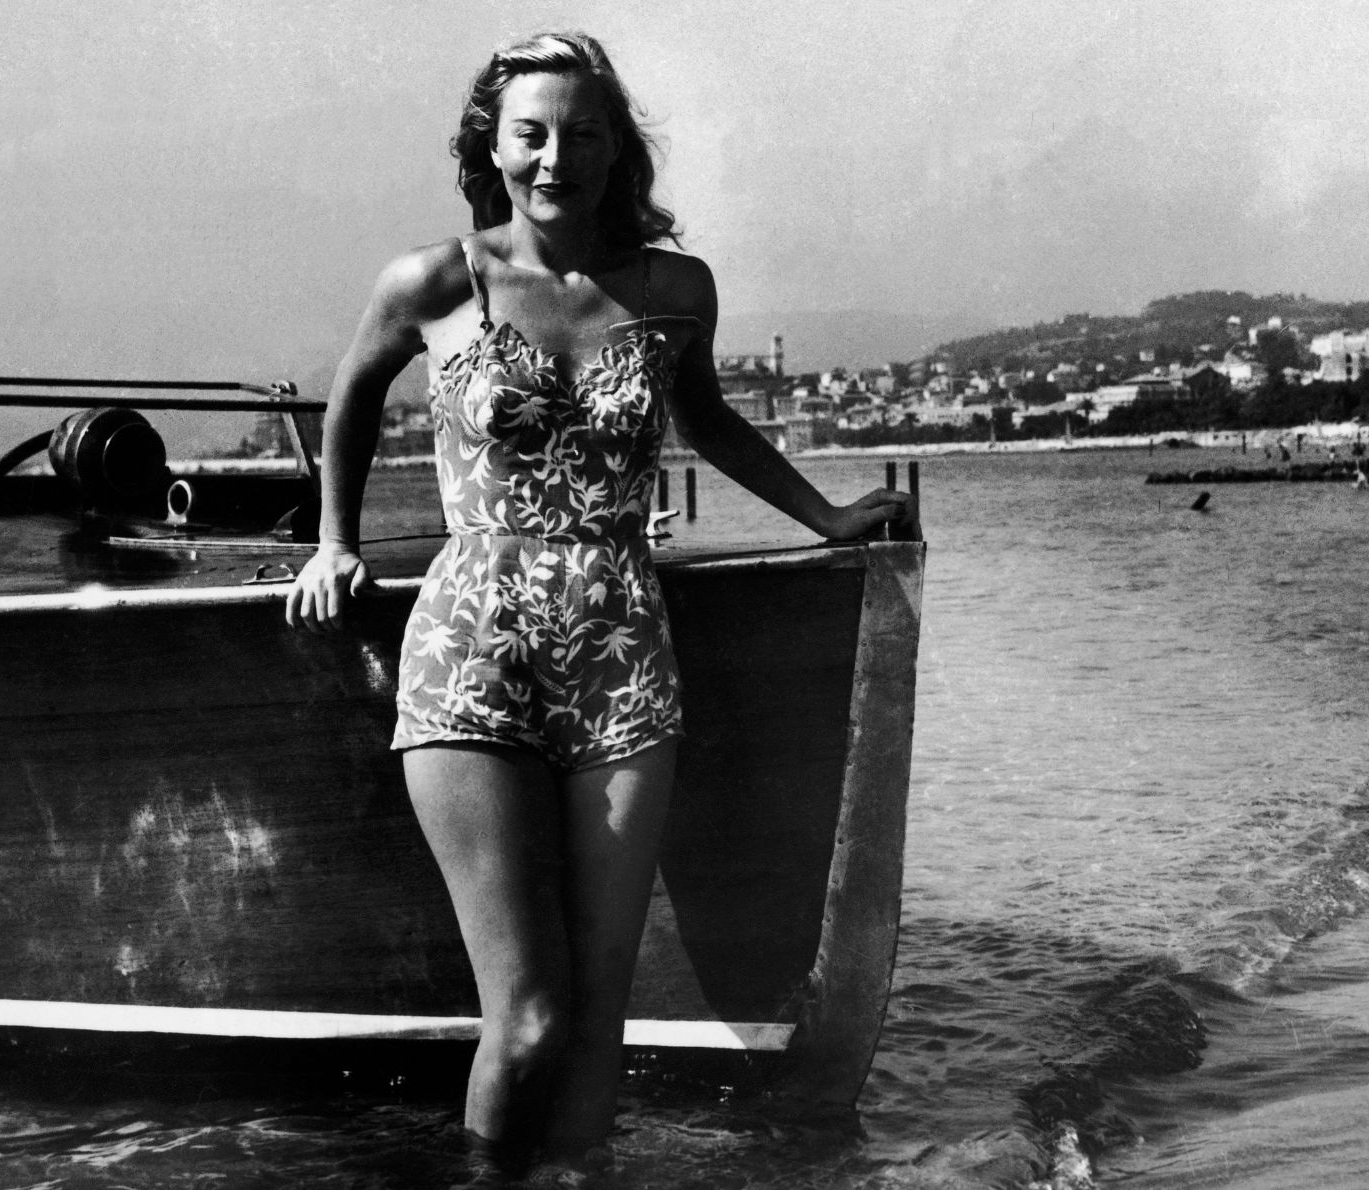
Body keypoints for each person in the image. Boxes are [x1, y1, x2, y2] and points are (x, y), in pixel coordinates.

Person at [284, 31, 913, 1177]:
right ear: (491, 146)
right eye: (530, 133)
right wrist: (336, 542)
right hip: (473, 645)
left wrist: (825, 518)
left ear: (616, 148)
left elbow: (708, 419)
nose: (554, 157)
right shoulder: (435, 280)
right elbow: (351, 398)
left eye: (581, 133)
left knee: (599, 1010)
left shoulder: (675, 291)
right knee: (527, 1018)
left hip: (622, 650)